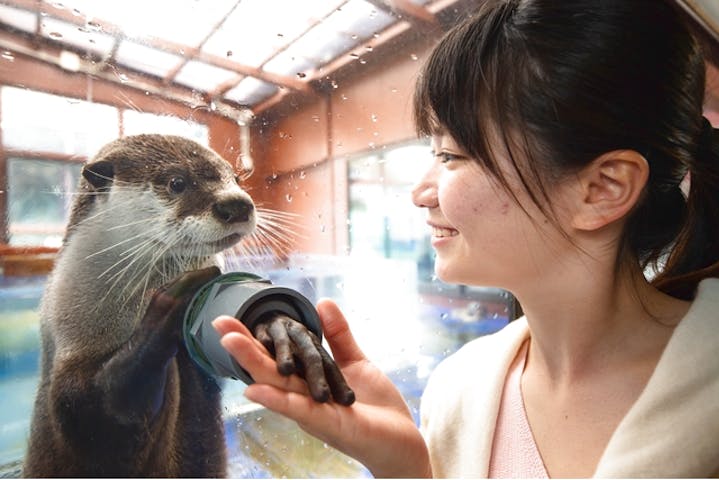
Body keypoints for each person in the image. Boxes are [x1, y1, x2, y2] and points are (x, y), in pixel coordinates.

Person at [212, 0, 719, 477]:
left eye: (451, 156)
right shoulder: (459, 391)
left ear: (602, 189)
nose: (420, 193)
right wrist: (407, 466)